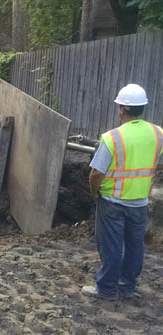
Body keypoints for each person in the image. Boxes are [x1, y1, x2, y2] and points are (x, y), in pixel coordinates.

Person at [82, 84, 163, 300]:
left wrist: (94, 192)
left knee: (111, 246)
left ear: (122, 109)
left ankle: (107, 289)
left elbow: (95, 174)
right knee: (135, 246)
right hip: (140, 202)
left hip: (113, 202)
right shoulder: (158, 133)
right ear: (143, 108)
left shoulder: (112, 138)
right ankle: (127, 286)